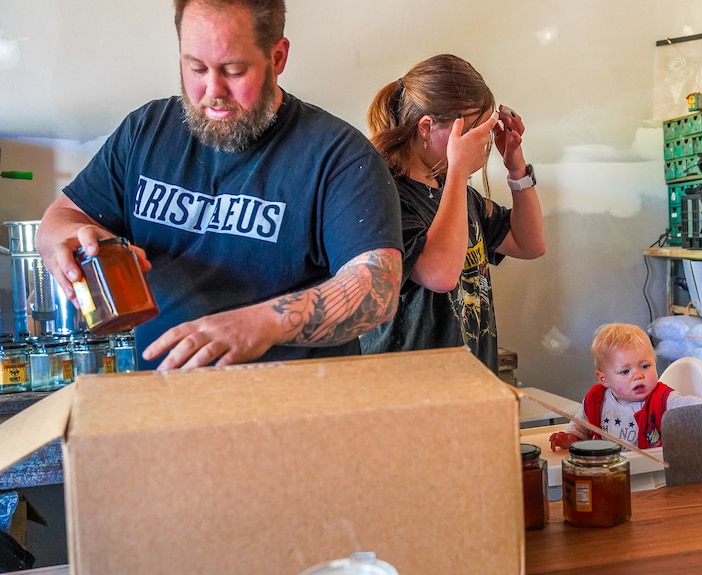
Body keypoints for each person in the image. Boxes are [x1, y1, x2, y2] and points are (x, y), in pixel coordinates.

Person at [35, 0, 403, 371]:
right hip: (164, 402)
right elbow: (65, 215)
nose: (213, 91)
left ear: (277, 58)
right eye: (195, 68)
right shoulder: (145, 132)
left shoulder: (337, 155)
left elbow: (377, 287)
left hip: (295, 410)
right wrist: (66, 239)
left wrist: (262, 324)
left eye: (234, 70)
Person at [360, 54, 546, 372]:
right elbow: (440, 274)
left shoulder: (457, 193)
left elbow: (529, 245)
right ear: (427, 127)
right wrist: (459, 171)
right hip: (408, 387)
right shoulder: (381, 194)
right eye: (474, 130)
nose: (483, 142)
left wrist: (515, 165)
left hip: (470, 378)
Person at [565, 323, 702, 448]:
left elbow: (686, 404)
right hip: (607, 471)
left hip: (650, 476)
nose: (638, 375)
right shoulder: (596, 399)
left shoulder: (662, 398)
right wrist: (571, 437)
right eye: (625, 372)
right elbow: (581, 423)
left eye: (645, 366)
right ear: (604, 379)